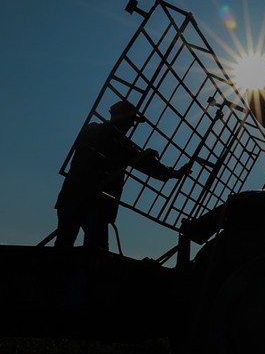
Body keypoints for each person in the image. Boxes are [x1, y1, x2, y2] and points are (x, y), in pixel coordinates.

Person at [54, 99, 190, 249]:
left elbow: (134, 157)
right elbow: (127, 155)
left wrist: (170, 172)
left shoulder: (106, 136)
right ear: (121, 117)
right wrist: (163, 168)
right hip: (91, 202)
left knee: (71, 247)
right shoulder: (98, 132)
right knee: (90, 251)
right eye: (131, 120)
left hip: (76, 199)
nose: (132, 125)